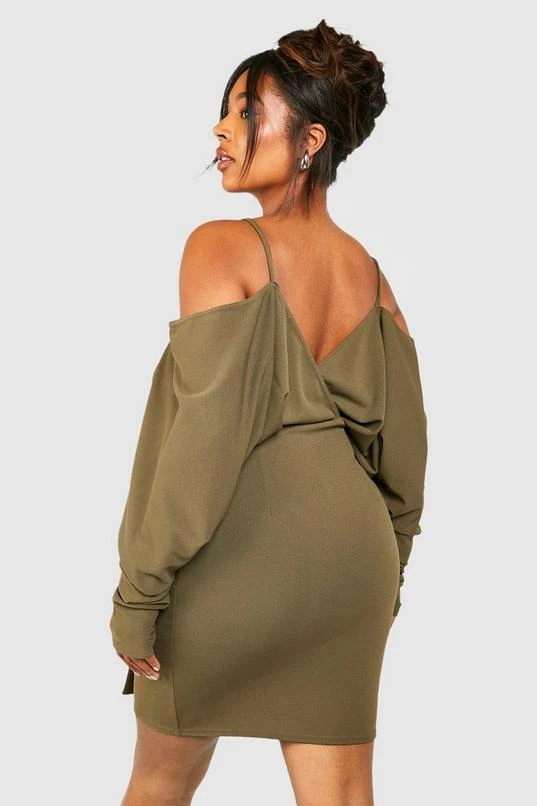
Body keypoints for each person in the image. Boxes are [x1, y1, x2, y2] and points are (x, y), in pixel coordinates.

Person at [110, 18, 428, 806]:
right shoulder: (372, 278)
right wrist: (383, 582)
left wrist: (138, 594)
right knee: (341, 796)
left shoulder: (220, 246)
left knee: (159, 780)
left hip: (233, 564)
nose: (221, 129)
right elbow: (404, 463)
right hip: (352, 572)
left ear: (311, 139)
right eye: (226, 110)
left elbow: (205, 445)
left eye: (246, 112)